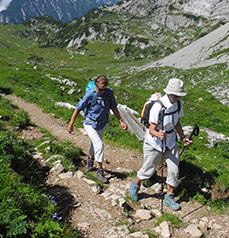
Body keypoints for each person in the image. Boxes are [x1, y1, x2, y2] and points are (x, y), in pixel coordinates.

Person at [128, 78, 192, 211]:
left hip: (170, 140)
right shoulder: (158, 106)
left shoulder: (178, 105)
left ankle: (169, 196)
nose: (176, 98)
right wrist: (158, 134)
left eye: (178, 95)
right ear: (168, 93)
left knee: (174, 169)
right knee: (148, 169)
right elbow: (151, 129)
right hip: (154, 142)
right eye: (174, 95)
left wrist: (183, 137)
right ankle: (135, 185)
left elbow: (177, 123)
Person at [67, 75, 127, 183]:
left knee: (95, 143)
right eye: (100, 89)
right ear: (96, 86)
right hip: (90, 123)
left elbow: (113, 107)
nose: (102, 92)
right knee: (99, 145)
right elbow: (78, 108)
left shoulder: (109, 93)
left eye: (104, 89)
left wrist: (120, 121)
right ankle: (99, 170)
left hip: (102, 123)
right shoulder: (90, 94)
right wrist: (71, 123)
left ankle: (90, 160)